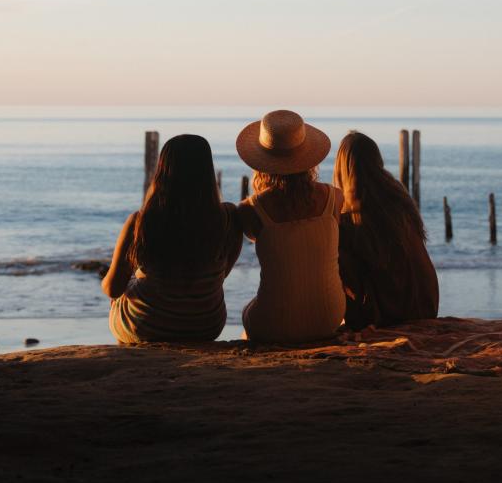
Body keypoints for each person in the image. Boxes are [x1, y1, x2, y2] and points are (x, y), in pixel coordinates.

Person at [102, 134, 242, 343]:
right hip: (207, 326)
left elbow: (113, 288)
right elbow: (222, 275)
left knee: (119, 300)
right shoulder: (230, 217)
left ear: (162, 170)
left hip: (147, 326)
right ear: (207, 171)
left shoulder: (141, 221)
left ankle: (133, 353)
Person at [236, 109, 345, 343]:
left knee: (247, 314)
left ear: (261, 162)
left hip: (275, 323)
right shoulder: (335, 198)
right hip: (330, 317)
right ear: (308, 158)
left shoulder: (250, 210)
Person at [333, 130, 439, 329]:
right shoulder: (398, 198)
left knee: (333, 248)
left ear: (342, 168)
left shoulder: (354, 218)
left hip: (396, 316)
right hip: (428, 306)